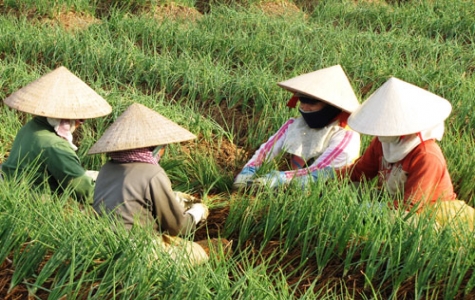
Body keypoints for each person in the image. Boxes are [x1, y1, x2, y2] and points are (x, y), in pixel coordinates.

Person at [333, 77, 474, 230]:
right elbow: (360, 173)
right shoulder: (382, 143)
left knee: (403, 222)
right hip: (394, 200)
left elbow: (412, 206)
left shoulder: (426, 156)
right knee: (349, 189)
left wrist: (369, 209)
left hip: (429, 212)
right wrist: (326, 176)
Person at [89, 103, 211, 265]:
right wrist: (196, 213)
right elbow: (177, 227)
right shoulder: (152, 173)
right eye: (162, 148)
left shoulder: (106, 169)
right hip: (137, 250)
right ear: (154, 148)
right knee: (197, 253)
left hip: (103, 243)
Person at [233, 65, 361, 189]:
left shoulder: (345, 134)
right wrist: (249, 170)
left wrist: (278, 179)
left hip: (329, 185)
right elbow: (268, 149)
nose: (304, 107)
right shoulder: (295, 125)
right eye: (302, 101)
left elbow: (321, 170)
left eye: (312, 103)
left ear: (331, 106)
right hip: (294, 179)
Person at [1, 66, 112, 202]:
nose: (78, 125)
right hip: (31, 201)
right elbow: (84, 191)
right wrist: (114, 191)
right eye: (79, 120)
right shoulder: (55, 146)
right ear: (67, 120)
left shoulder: (30, 128)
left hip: (11, 187)